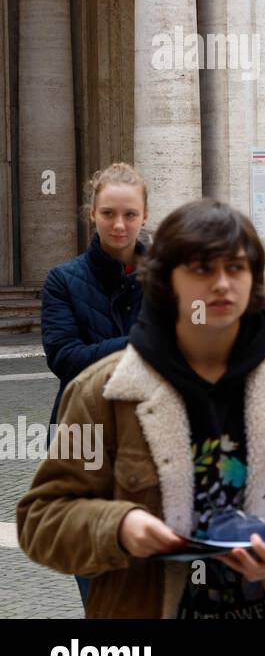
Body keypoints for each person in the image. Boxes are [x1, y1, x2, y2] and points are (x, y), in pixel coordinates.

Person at [17, 198, 265, 618]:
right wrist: (119, 527)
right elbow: (43, 520)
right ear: (166, 283)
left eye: (236, 268)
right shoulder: (101, 392)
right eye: (202, 269)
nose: (221, 284)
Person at [39, 162, 150, 606]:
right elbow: (66, 359)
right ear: (92, 215)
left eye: (129, 214)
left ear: (144, 216)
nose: (119, 224)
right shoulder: (63, 280)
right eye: (108, 214)